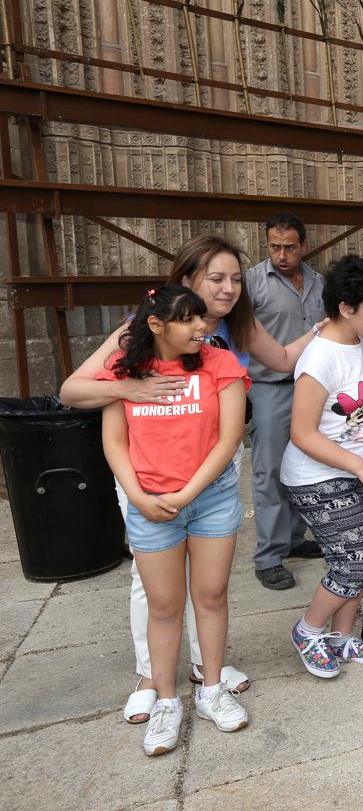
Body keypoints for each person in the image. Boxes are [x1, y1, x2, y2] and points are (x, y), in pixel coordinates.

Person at [60, 235, 317, 725]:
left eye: (236, 279)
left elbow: (282, 360)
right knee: (153, 581)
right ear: (184, 283)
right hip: (147, 471)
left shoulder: (232, 331)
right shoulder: (138, 334)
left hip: (211, 470)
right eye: (215, 279)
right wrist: (131, 386)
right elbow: (72, 390)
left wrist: (325, 327)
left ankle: (205, 668)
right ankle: (149, 677)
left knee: (210, 582)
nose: (228, 290)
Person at [98, 285, 251, 756]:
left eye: (201, 319)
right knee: (163, 608)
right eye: (188, 320)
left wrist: (187, 493)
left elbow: (229, 438)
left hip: (210, 500)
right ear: (156, 324)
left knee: (211, 597)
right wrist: (139, 498)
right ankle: (167, 702)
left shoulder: (220, 364)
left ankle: (211, 690)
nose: (201, 328)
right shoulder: (124, 371)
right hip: (151, 506)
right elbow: (114, 441)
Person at [282, 255, 363, 678]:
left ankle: (341, 637)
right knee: (354, 563)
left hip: (357, 471)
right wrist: (360, 467)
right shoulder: (320, 357)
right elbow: (303, 433)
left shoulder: (361, 340)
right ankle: (309, 629)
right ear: (346, 309)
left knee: (360, 554)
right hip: (319, 476)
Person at [244, 213, 326, 590]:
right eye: (274, 247)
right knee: (270, 471)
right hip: (270, 387)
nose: (281, 254)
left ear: (303, 246)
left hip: (312, 387)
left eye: (289, 247)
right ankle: (269, 556)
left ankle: (294, 539)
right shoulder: (252, 284)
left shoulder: (318, 283)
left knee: (303, 465)